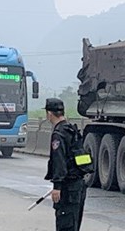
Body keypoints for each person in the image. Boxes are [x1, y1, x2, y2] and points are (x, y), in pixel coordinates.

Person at [44, 98, 87, 231]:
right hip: (78, 185)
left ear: (49, 114)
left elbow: (59, 161)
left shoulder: (58, 134)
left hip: (68, 188)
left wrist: (57, 186)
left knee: (65, 225)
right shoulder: (72, 130)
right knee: (73, 224)